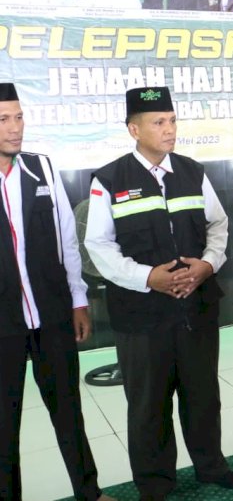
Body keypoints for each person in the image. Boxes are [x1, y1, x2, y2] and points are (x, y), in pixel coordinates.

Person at [85, 86, 233, 499]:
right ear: (133, 129)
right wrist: (146, 277)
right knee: (148, 405)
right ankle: (155, 482)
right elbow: (98, 246)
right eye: (159, 122)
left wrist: (209, 264)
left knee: (203, 395)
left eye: (172, 120)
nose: (170, 129)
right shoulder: (109, 180)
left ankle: (211, 466)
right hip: (141, 316)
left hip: (196, 308)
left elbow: (218, 225)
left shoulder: (193, 172)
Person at [0, 83, 114, 501]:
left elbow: (68, 239)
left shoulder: (41, 169)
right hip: (4, 324)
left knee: (68, 412)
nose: (15, 128)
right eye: (3, 120)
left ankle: (90, 492)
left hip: (51, 315)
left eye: (18, 116)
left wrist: (78, 299)